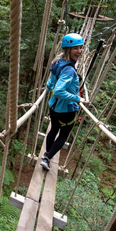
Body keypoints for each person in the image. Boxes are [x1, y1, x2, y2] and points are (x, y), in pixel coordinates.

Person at [40, 33, 87, 171]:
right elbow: (59, 91)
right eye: (75, 48)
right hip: (66, 110)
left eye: (81, 47)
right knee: (63, 135)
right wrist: (78, 99)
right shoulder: (70, 71)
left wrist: (48, 86)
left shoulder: (58, 61)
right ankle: (47, 158)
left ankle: (47, 154)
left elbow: (52, 82)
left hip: (53, 107)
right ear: (68, 49)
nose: (79, 51)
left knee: (53, 129)